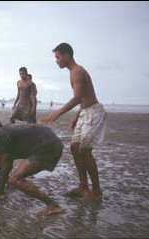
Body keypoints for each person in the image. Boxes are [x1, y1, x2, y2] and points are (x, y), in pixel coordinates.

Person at [42, 43, 108, 203]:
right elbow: (84, 97)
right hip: (85, 113)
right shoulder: (73, 72)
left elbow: (78, 97)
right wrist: (77, 115)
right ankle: (83, 187)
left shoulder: (78, 72)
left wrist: (58, 113)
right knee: (74, 148)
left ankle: (97, 192)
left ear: (67, 55)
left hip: (93, 113)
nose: (56, 61)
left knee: (84, 151)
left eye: (58, 57)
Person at [0, 115, 64, 217]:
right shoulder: (5, 132)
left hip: (49, 147)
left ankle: (53, 205)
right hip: (45, 143)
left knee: (14, 180)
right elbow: (2, 161)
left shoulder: (2, 134)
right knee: (5, 158)